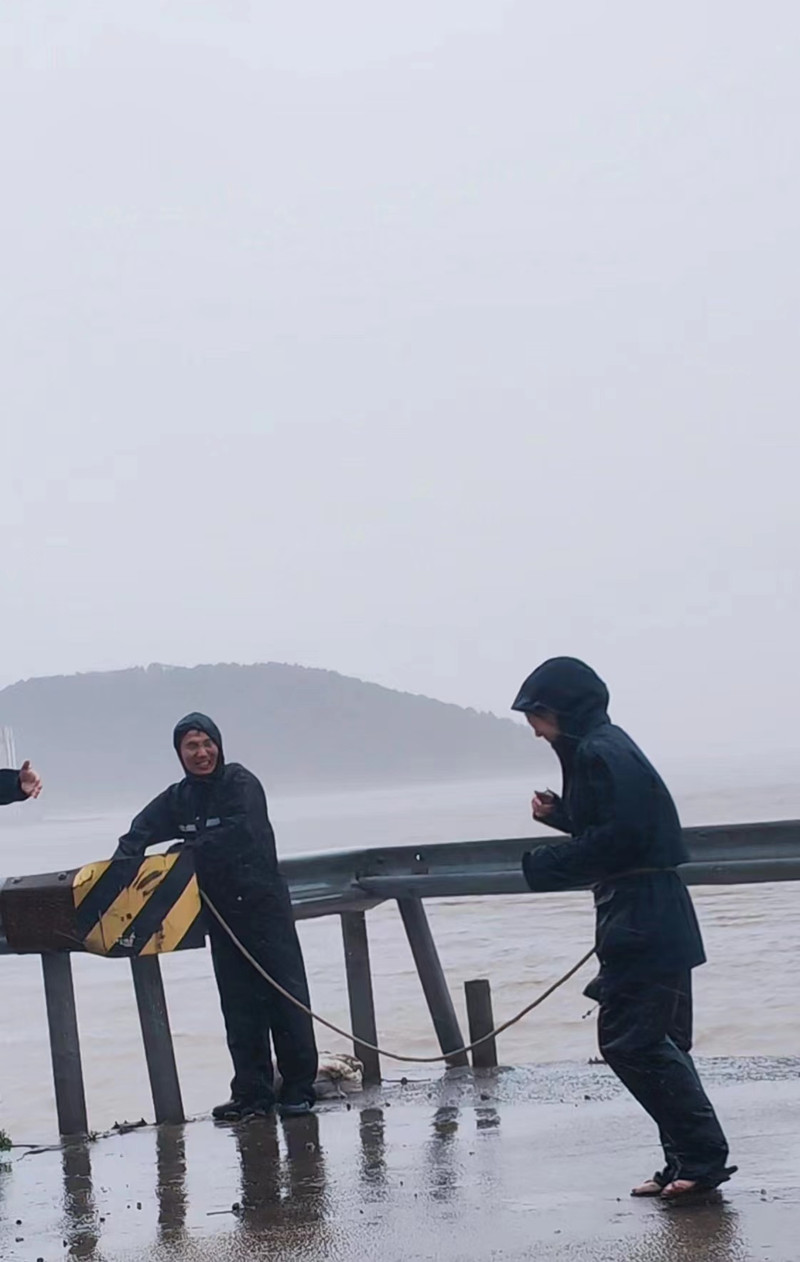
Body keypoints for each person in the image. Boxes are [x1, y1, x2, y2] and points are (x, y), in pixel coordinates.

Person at [513, 657, 735, 1201]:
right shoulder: (611, 746)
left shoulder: (598, 752)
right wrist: (564, 817)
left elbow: (626, 838)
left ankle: (702, 1158)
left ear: (559, 710)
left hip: (642, 912)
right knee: (660, 1042)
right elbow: (628, 824)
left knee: (630, 1041)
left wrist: (546, 864)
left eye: (537, 719)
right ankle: (685, 1162)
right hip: (654, 909)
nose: (537, 732)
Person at [114, 713, 318, 1120]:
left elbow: (243, 833)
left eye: (207, 744)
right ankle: (252, 1094)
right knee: (239, 1007)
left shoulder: (241, 784)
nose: (202, 753)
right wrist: (123, 865)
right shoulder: (179, 797)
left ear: (219, 746)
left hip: (264, 912)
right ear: (180, 754)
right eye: (192, 746)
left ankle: (298, 1087)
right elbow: (142, 828)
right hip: (222, 917)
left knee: (284, 999)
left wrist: (188, 851)